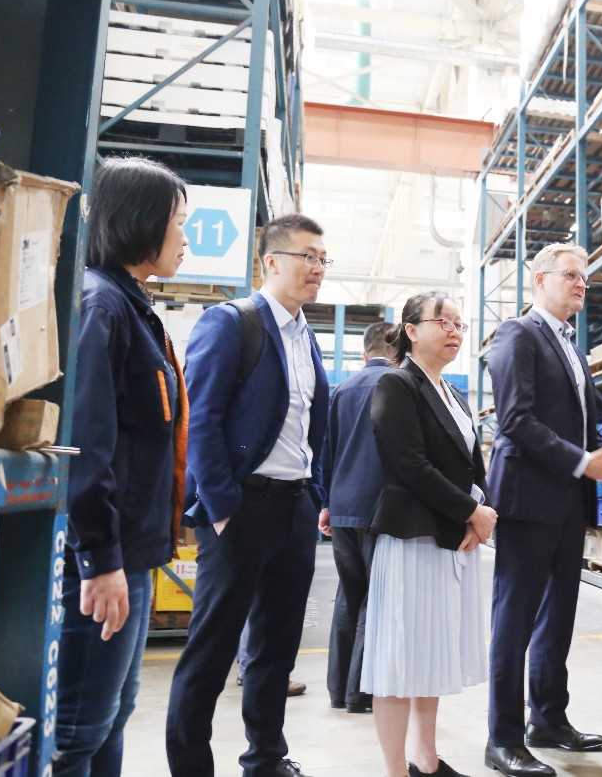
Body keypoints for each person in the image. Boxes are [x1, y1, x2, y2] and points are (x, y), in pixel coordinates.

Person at [166, 215, 331, 777]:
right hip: (242, 509)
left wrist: (315, 492)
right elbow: (201, 418)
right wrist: (221, 509)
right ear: (271, 262)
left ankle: (265, 758)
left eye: (323, 258)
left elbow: (311, 425)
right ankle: (191, 767)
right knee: (212, 651)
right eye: (307, 256)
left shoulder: (306, 336)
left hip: (295, 507)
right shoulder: (233, 323)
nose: (317, 267)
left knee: (276, 648)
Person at [485, 244, 602, 777]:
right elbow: (515, 420)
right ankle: (503, 739)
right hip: (528, 501)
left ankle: (548, 719)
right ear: (539, 279)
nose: (581, 284)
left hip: (567, 504)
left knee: (557, 618)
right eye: (571, 274)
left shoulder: (571, 346)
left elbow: (576, 425)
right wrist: (581, 463)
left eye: (584, 278)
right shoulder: (518, 334)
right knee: (515, 622)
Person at [56, 156, 188, 776]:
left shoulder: (131, 307)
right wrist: (100, 559)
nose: (185, 238)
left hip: (129, 556)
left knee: (111, 715)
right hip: (106, 561)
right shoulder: (103, 306)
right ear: (139, 221)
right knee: (79, 729)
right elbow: (86, 444)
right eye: (178, 222)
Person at [362, 292, 498, 777]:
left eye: (460, 324)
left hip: (448, 538)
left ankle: (426, 758)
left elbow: (471, 465)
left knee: (430, 653)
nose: (455, 331)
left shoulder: (453, 394)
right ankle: (395, 769)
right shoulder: (397, 384)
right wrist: (470, 511)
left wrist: (477, 510)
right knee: (398, 661)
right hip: (411, 539)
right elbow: (409, 464)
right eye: (444, 321)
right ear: (412, 330)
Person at [324, 321, 396, 713]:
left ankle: (338, 689)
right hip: (380, 507)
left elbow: (327, 451)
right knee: (376, 596)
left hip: (343, 508)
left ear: (365, 353)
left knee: (348, 595)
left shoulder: (342, 389)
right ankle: (359, 693)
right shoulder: (398, 386)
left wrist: (327, 504)